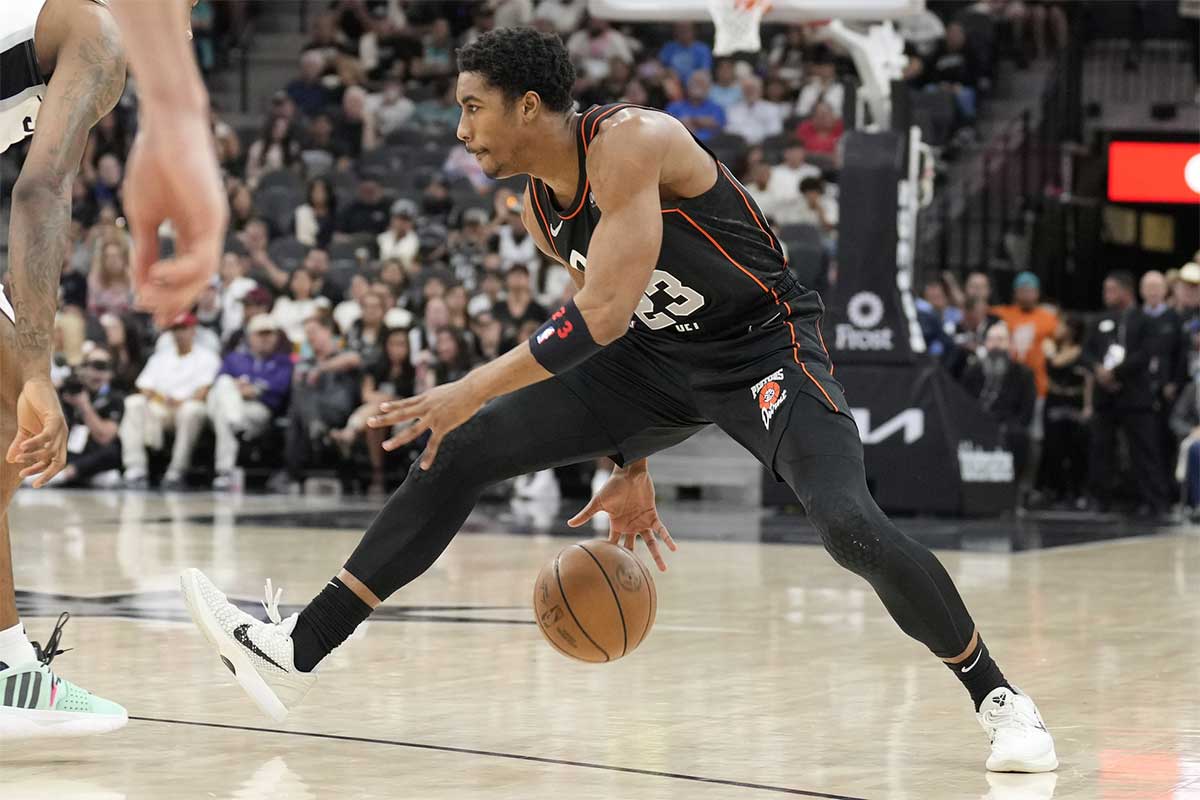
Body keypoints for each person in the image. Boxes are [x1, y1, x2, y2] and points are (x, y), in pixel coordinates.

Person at [181, 28, 1057, 774]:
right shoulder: (538, 206)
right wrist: (626, 460)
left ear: (529, 106)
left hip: (763, 344)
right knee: (467, 448)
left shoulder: (630, 143)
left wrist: (465, 386)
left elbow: (596, 313)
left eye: (472, 106)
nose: (461, 129)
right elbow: (625, 320)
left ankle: (1001, 699)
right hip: (654, 362)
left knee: (845, 523)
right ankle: (302, 644)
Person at [0, 0, 145, 738]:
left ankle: (6, 666)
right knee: (10, 399)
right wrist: (38, 374)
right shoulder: (98, 31)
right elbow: (40, 189)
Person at [1084, 271, 1171, 516]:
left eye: (1111, 290)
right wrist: (1099, 370)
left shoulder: (1144, 320)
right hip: (1105, 395)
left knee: (1144, 450)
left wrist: (1117, 373)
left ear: (1126, 291)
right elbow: (1086, 352)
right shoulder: (1099, 320)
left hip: (1134, 393)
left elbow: (1146, 353)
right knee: (1100, 448)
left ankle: (1154, 501)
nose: (1106, 295)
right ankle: (1099, 498)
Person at [119, 313, 221, 491]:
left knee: (192, 410)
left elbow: (204, 390)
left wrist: (181, 401)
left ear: (193, 331)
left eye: (183, 329)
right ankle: (136, 467)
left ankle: (177, 469)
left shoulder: (207, 357)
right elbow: (143, 386)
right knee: (133, 403)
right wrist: (161, 399)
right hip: (161, 407)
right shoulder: (160, 357)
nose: (179, 334)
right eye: (176, 329)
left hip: (188, 407)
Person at [207, 314, 293, 491]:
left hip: (259, 409)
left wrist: (253, 390)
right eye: (260, 334)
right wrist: (237, 388)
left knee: (223, 413)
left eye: (269, 334)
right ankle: (235, 424)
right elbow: (217, 383)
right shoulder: (234, 358)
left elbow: (279, 389)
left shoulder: (283, 362)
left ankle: (225, 472)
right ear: (250, 336)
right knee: (224, 384)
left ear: (276, 337)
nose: (265, 339)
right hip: (231, 404)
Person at [961, 323, 1037, 482]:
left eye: (1001, 339)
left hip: (1009, 424)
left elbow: (1026, 411)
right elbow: (963, 403)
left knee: (1019, 437)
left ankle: (1015, 492)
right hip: (978, 422)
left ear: (1010, 344)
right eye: (991, 339)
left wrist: (1008, 425)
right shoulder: (973, 371)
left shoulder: (1023, 374)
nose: (995, 345)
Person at [52, 345, 126, 488]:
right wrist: (55, 391)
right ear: (83, 368)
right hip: (67, 448)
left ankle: (68, 474)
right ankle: (81, 475)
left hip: (93, 451)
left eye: (103, 367)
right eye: (93, 366)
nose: (97, 373)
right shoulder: (69, 389)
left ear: (111, 373)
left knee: (112, 450)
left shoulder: (115, 398)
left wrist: (84, 405)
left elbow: (104, 437)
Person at [1037, 315, 1091, 507]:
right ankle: (1055, 491)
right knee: (1053, 447)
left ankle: (1077, 492)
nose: (1057, 328)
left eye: (1061, 325)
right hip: (1054, 399)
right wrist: (1051, 354)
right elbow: (1054, 365)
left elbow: (1086, 379)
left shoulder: (1080, 351)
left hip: (1074, 401)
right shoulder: (1051, 346)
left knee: (1076, 449)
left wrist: (1088, 406)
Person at [991, 272, 1058, 400]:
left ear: (1037, 293)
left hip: (1036, 385)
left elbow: (1064, 340)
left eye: (1030, 290)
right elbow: (976, 310)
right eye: (1023, 290)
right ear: (1015, 292)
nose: (1027, 294)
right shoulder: (1002, 314)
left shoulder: (1048, 318)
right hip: (1006, 383)